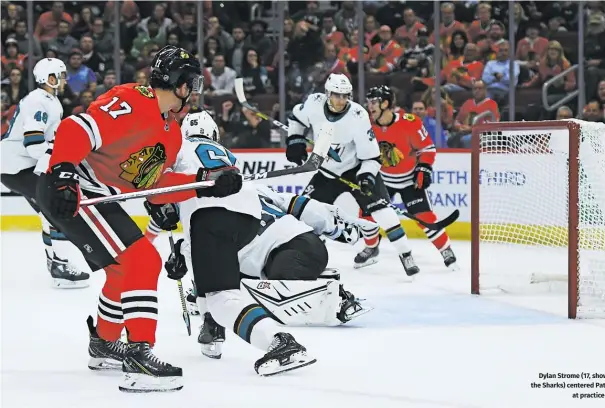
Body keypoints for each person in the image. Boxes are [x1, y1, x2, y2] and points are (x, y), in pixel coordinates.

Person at [34, 45, 242, 393]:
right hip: (70, 184)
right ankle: (139, 354)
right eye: (191, 83)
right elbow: (76, 127)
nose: (194, 91)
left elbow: (154, 186)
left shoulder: (171, 133)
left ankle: (104, 343)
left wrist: (205, 184)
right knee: (143, 257)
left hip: (95, 190)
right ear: (179, 84)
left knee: (123, 269)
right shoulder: (134, 100)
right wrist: (65, 173)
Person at [144, 111, 326, 374]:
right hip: (248, 220)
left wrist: (157, 206)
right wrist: (183, 252)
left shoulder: (179, 145)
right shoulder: (226, 153)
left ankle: (278, 341)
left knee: (222, 298)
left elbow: (161, 188)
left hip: (209, 220)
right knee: (211, 269)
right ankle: (212, 325)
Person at [285, 73, 420, 276]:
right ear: (327, 93)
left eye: (345, 95)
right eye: (337, 95)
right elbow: (296, 119)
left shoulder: (358, 116)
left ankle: (406, 254)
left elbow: (372, 157)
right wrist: (295, 139)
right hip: (326, 171)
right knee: (305, 212)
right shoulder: (313, 103)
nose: (341, 100)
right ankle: (300, 256)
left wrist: (366, 176)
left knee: (384, 212)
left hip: (356, 168)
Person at [0, 57, 90, 288]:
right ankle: (59, 266)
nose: (64, 79)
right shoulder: (39, 102)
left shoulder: (49, 100)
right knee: (55, 207)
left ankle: (56, 263)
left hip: (18, 165)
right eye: (61, 75)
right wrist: (61, 154)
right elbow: (34, 145)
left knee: (47, 211)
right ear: (50, 78)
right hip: (16, 167)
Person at [364, 86, 458, 270]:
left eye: (374, 102)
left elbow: (427, 148)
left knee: (425, 217)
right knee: (366, 214)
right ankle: (371, 247)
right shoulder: (366, 125)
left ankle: (445, 249)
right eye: (369, 102)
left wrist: (423, 168)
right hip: (382, 179)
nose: (370, 106)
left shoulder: (409, 122)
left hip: (409, 179)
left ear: (386, 103)